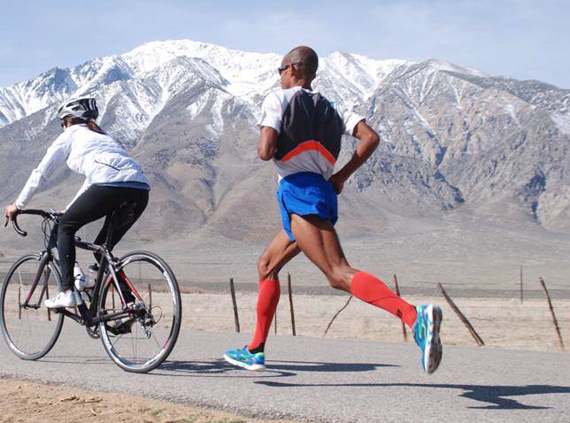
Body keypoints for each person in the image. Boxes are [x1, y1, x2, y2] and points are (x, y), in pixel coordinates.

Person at [224, 46, 443, 374]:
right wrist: (340, 175)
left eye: (281, 69)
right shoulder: (333, 107)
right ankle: (255, 349)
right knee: (267, 264)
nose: (279, 75)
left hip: (299, 193)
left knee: (338, 273)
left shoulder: (278, 100)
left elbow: (265, 151)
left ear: (295, 69)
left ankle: (414, 317)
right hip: (322, 191)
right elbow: (369, 138)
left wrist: (269, 140)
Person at [4, 97, 150, 309]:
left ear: (69, 122)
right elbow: (93, 181)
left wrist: (18, 204)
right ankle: (130, 305)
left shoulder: (71, 135)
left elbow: (41, 173)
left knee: (65, 227)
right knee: (102, 249)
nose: (62, 128)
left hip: (109, 185)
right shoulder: (103, 137)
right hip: (140, 189)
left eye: (62, 124)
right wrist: (70, 207)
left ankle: (67, 291)